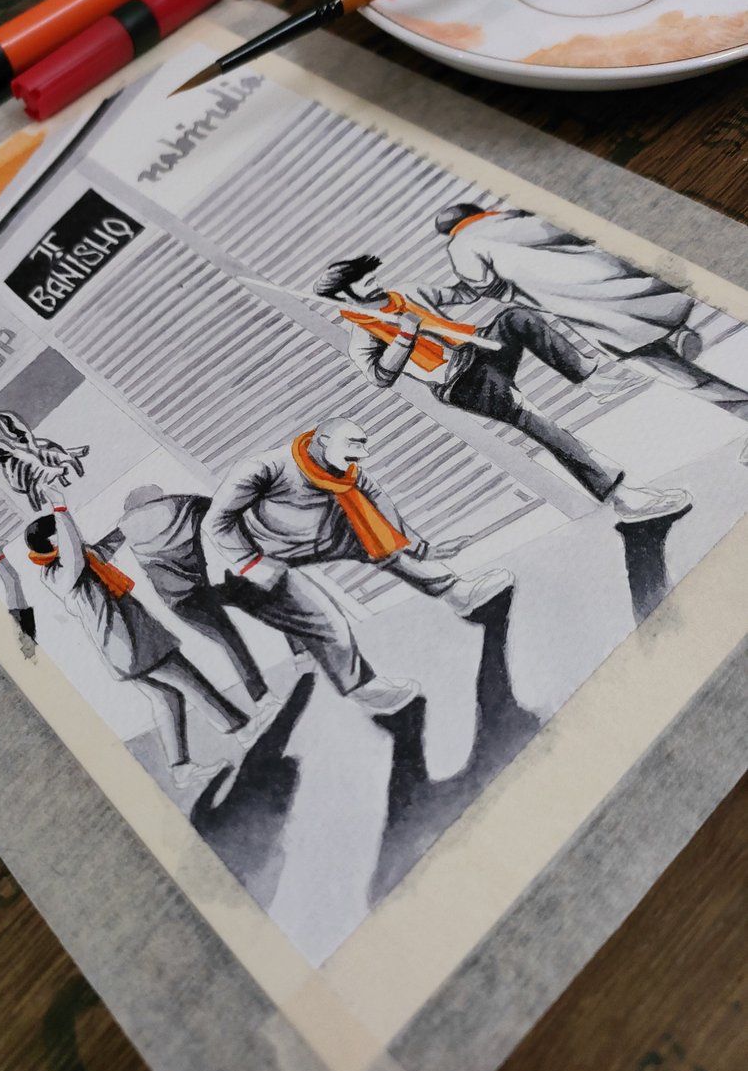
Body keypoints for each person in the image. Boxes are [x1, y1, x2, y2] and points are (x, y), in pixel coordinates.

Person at [313, 255, 692, 523]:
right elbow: (380, 377)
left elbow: (459, 296)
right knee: (540, 424)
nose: (372, 280)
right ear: (344, 296)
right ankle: (621, 497)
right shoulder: (362, 336)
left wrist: (484, 274)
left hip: (480, 347)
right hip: (461, 382)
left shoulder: (406, 293)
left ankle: (593, 380)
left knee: (516, 318)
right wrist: (404, 336)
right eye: (360, 280)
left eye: (369, 273)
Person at [201, 417, 515, 716]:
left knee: (381, 543)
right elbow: (216, 522)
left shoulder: (347, 472)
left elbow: (381, 507)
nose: (361, 455)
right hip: (264, 556)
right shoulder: (264, 468)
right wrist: (251, 562)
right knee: (324, 617)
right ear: (323, 442)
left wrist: (421, 548)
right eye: (353, 445)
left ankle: (458, 593)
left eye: (362, 446)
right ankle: (360, 686)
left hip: (323, 537)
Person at [12, 484, 251, 790]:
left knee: (167, 697)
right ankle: (243, 729)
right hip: (130, 642)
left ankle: (180, 768)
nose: (72, 536)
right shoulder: (58, 573)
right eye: (61, 532)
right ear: (51, 542)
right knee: (190, 681)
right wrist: (61, 509)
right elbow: (74, 558)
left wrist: (133, 520)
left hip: (126, 643)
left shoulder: (84, 557)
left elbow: (106, 545)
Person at [433, 202, 748, 423]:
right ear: (479, 212)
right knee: (655, 316)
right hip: (619, 279)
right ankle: (676, 334)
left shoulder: (461, 246)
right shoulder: (521, 216)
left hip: (582, 307)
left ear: (452, 231)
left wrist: (514, 293)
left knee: (658, 364)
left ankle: (740, 406)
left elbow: (485, 284)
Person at [97, 485, 280, 733]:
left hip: (179, 602)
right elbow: (221, 509)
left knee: (228, 639)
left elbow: (99, 554)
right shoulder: (185, 504)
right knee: (242, 624)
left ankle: (261, 699)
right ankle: (266, 693)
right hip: (205, 585)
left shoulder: (126, 529)